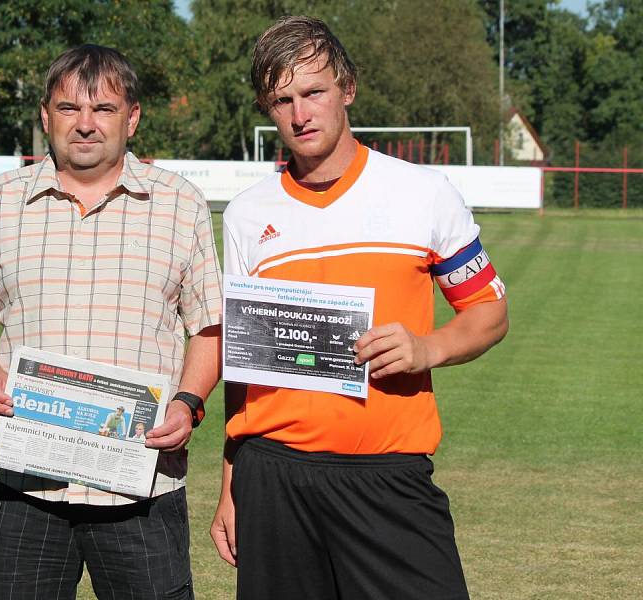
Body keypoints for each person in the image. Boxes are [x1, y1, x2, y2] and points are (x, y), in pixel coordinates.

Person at [211, 16, 508, 600]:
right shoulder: (246, 214)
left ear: (346, 87)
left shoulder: (422, 193)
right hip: (273, 475)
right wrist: (230, 484)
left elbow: (489, 313)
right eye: (282, 99)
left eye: (314, 92)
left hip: (387, 474)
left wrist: (428, 347)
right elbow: (242, 364)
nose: (300, 114)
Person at [0, 44, 222, 600]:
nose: (85, 125)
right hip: (25, 485)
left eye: (104, 109)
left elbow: (207, 327)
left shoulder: (180, 204)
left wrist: (188, 403)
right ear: (45, 116)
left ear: (131, 117)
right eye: (68, 109)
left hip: (143, 486)